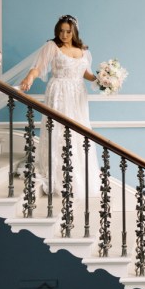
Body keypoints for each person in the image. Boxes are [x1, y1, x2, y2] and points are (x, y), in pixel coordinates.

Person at [19, 14, 100, 201]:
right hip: (59, 92)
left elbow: (85, 73)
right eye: (61, 31)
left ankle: (77, 173)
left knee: (79, 131)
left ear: (74, 32)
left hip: (78, 94)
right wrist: (29, 78)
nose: (64, 35)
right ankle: (58, 173)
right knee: (59, 130)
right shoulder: (52, 47)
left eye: (68, 31)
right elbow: (38, 67)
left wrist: (102, 79)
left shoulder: (83, 51)